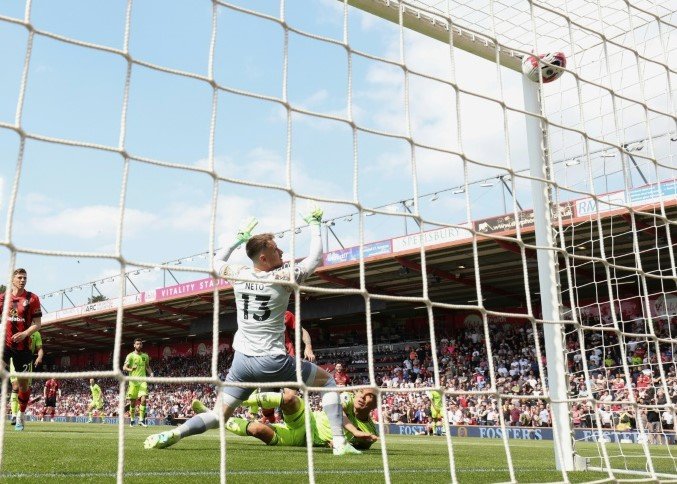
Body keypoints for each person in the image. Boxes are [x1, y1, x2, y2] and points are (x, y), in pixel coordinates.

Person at [144, 208, 361, 455]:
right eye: (275, 249)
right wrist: (314, 224)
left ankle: (174, 433)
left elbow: (215, 262)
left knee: (217, 415)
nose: (280, 251)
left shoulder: (239, 274)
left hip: (242, 364)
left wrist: (238, 238)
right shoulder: (283, 277)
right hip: (272, 361)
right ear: (263, 258)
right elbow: (315, 258)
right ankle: (340, 443)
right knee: (329, 383)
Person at [197, 388, 379, 450]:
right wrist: (354, 431)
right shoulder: (346, 398)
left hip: (303, 440)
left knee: (258, 430)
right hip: (308, 419)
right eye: (361, 392)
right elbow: (338, 412)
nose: (361, 396)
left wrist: (340, 444)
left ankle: (214, 416)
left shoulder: (370, 430)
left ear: (375, 404)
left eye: (368, 395)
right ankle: (237, 401)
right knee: (289, 398)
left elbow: (357, 446)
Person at [0, 268, 42, 431]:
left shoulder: (32, 299)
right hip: (6, 345)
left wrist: (24, 334)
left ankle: (20, 416)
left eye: (25, 277)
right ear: (12, 279)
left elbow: (37, 324)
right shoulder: (3, 298)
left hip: (24, 348)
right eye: (19, 277)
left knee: (24, 387)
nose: (23, 280)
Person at [260, 310, 315, 424]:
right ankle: (271, 420)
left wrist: (308, 346)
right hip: (268, 362)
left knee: (289, 399)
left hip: (287, 360)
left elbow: (302, 330)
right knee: (265, 403)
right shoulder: (256, 315)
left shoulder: (285, 313)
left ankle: (292, 425)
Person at [9, 330, 42, 425]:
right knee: (15, 386)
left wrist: (39, 357)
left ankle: (20, 414)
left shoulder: (36, 333)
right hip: (15, 358)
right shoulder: (17, 327)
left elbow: (39, 348)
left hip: (28, 360)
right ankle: (14, 415)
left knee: (24, 388)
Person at [123, 338, 154, 427]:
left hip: (142, 381)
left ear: (142, 345)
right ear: (134, 345)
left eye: (140, 344)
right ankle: (132, 420)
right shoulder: (130, 356)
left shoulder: (145, 356)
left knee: (143, 399)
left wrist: (151, 373)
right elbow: (124, 367)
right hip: (132, 382)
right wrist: (131, 369)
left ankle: (141, 420)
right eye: (137, 344)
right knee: (133, 402)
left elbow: (147, 367)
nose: (139, 345)